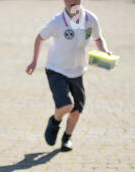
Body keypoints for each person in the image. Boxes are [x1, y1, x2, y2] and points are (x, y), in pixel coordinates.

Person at [26, 0, 111, 151]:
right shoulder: (57, 21)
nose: (72, 1)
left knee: (77, 110)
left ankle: (67, 138)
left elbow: (97, 39)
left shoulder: (90, 19)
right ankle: (54, 121)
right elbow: (40, 37)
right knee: (66, 105)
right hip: (56, 69)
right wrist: (33, 61)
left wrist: (104, 51)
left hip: (77, 71)